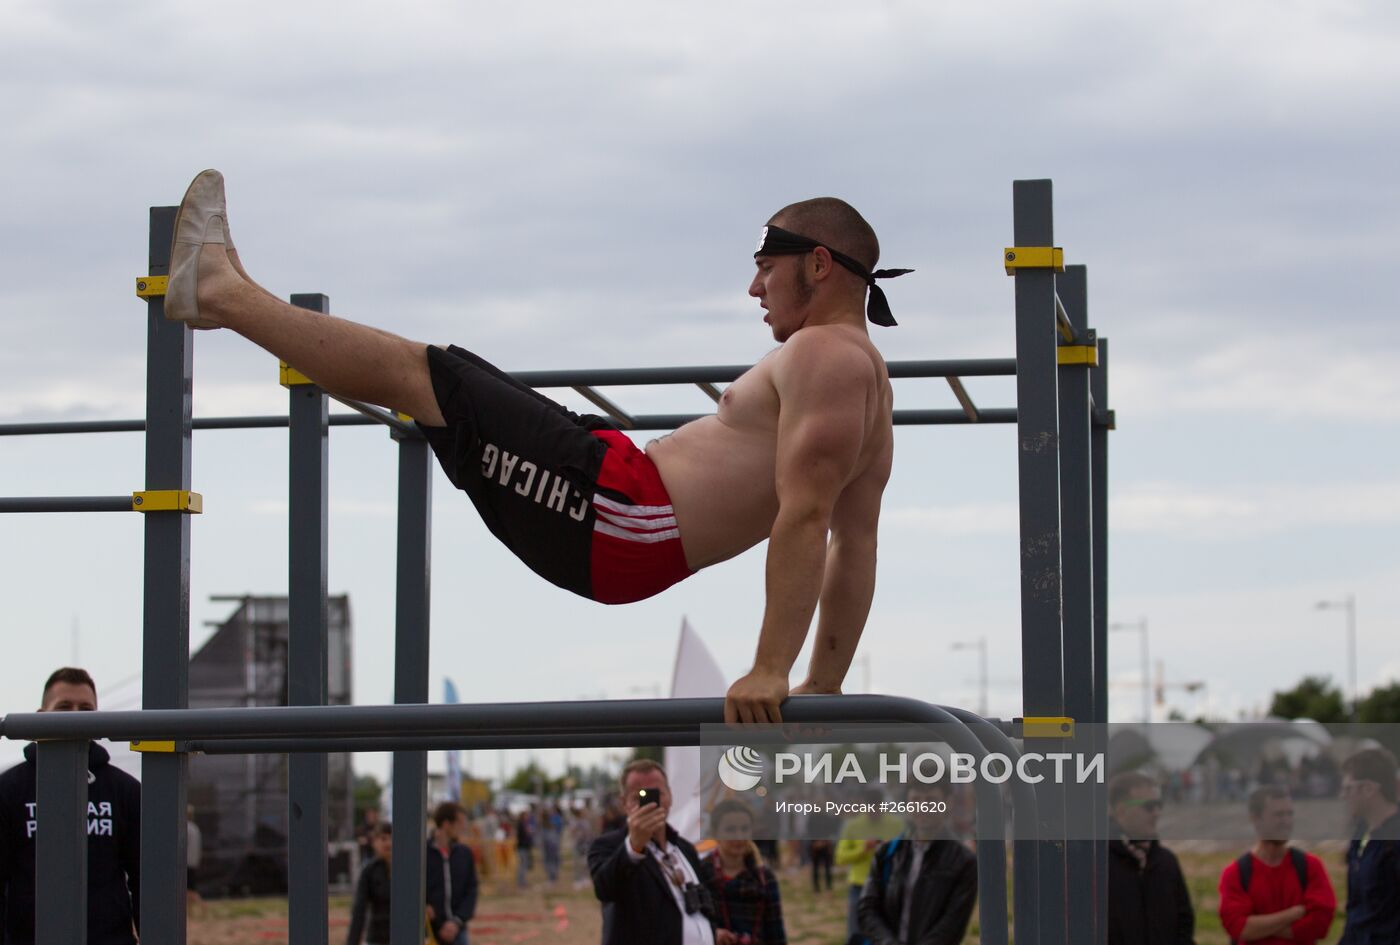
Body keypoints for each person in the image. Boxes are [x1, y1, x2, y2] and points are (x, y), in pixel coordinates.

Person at [165, 170, 903, 724]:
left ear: (816, 264)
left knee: (425, 378)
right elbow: (856, 544)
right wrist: (824, 684)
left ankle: (222, 294)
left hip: (627, 516)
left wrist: (772, 669)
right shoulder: (866, 380)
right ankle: (233, 288)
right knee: (456, 377)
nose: (753, 286)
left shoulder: (826, 358)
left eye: (766, 266)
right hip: (621, 491)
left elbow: (809, 520)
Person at [0, 667, 141, 945]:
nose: (76, 717)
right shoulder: (8, 790)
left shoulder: (125, 790)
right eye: (64, 707)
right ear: (40, 718)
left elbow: (144, 880)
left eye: (86, 709)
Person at [588, 759, 729, 945]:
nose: (650, 803)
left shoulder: (685, 849)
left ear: (670, 796)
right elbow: (605, 888)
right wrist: (634, 847)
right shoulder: (610, 846)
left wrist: (710, 931)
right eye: (640, 797)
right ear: (624, 803)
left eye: (657, 794)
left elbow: (700, 903)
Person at [857, 781, 976, 945]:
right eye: (915, 800)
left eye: (931, 800)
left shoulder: (963, 862)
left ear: (948, 803)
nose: (922, 807)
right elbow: (867, 910)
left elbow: (951, 925)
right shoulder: (888, 854)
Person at [1217, 785, 1335, 944]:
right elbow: (1239, 928)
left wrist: (1258, 927)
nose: (1286, 821)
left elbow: (1320, 925)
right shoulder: (1236, 873)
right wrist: (1293, 914)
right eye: (1278, 815)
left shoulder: (1310, 866)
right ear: (1255, 818)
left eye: (1289, 814)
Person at [1106, 770, 1195, 945]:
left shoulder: (1166, 861)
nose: (1156, 813)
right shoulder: (1097, 863)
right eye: (1148, 806)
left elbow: (1185, 923)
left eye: (1158, 805)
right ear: (1121, 810)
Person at [701, 800, 787, 945]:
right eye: (731, 830)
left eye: (744, 829)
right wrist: (712, 932)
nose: (739, 836)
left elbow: (776, 932)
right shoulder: (701, 872)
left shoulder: (764, 878)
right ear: (715, 833)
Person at [1338, 747, 1400, 943]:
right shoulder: (1361, 835)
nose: (1343, 796)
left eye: (1348, 788)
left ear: (1369, 789)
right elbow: (1357, 912)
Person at [834, 792, 905, 940]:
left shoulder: (896, 824)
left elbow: (908, 852)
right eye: (870, 809)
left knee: (889, 934)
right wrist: (863, 849)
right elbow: (840, 857)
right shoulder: (853, 826)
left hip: (888, 887)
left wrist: (891, 847)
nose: (874, 813)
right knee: (855, 934)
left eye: (877, 809)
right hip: (859, 887)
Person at [426, 802, 479, 945]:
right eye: (460, 822)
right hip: (430, 931)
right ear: (446, 824)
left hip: (458, 931)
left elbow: (472, 889)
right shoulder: (423, 854)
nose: (463, 827)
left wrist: (457, 921)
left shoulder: (464, 853)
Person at [346, 822, 393, 945]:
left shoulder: (407, 870)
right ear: (374, 842)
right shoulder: (369, 871)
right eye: (383, 838)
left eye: (392, 838)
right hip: (377, 937)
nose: (388, 843)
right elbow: (359, 910)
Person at [186, 804, 204, 913]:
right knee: (190, 888)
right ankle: (190, 910)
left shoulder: (186, 827)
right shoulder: (195, 828)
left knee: (190, 889)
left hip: (187, 861)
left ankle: (203, 907)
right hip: (194, 861)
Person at [515, 808, 536, 888]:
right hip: (522, 847)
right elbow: (524, 835)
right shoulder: (521, 825)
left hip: (524, 847)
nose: (527, 817)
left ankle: (522, 881)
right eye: (526, 815)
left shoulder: (523, 824)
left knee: (523, 864)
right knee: (522, 865)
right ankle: (521, 882)